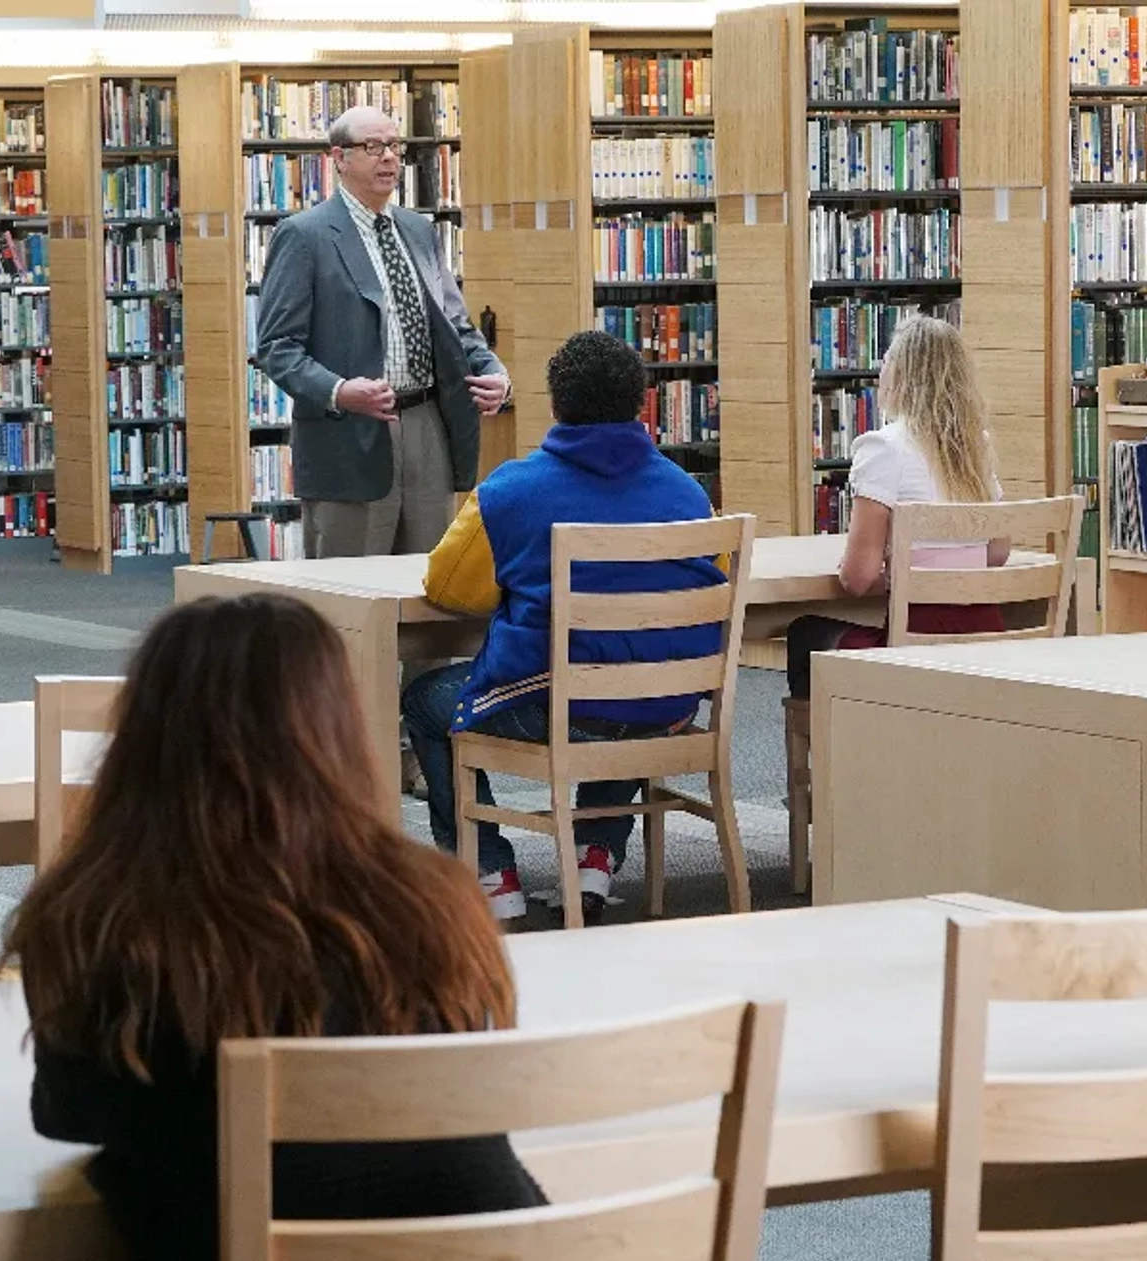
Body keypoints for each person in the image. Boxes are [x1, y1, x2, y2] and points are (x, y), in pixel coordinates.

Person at [5, 595, 543, 1261]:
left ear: (143, 742)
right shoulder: (437, 904)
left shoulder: (102, 922)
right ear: (337, 732)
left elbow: (67, 1113)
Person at [402, 330, 726, 924]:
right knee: (626, 676)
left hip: (555, 706)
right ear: (642, 404)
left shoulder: (508, 493)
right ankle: (595, 854)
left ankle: (489, 870)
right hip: (670, 706)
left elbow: (446, 590)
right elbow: (715, 587)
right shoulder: (687, 492)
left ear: (554, 405)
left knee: (425, 701)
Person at [254, 104, 510, 560]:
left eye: (395, 146)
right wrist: (338, 391)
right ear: (339, 158)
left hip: (428, 424)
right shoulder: (305, 236)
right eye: (373, 147)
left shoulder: (418, 230)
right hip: (348, 431)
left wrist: (492, 370)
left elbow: (454, 324)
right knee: (352, 585)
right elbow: (277, 348)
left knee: (429, 581)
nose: (389, 158)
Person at [783, 314, 1010, 701]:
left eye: (886, 359)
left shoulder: (885, 448)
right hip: (985, 644)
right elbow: (998, 551)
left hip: (915, 655)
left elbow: (856, 579)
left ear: (902, 375)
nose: (880, 368)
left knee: (806, 632)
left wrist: (898, 571)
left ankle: (850, 756)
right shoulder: (977, 446)